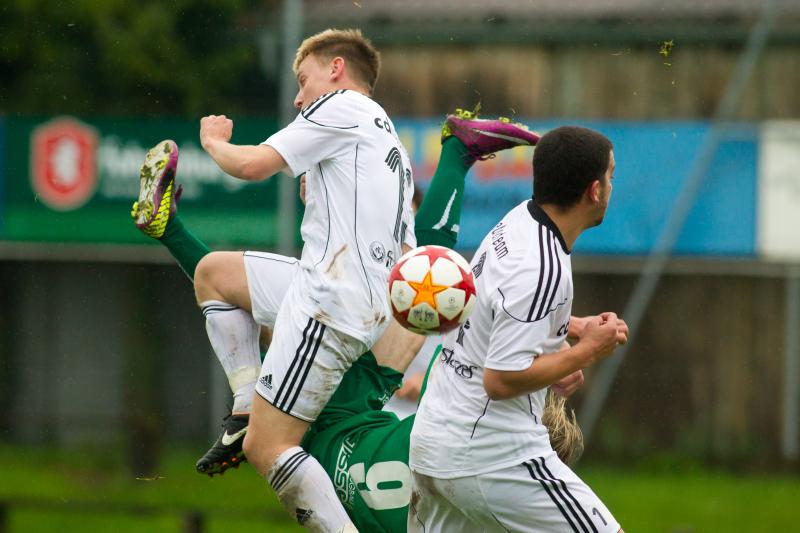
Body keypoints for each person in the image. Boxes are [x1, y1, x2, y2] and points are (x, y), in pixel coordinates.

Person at [132, 101, 542, 529]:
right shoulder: (401, 279)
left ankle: (172, 236)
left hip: (355, 400)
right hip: (365, 399)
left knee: (228, 284)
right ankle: (458, 150)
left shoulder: (389, 273)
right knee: (419, 273)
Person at [408, 126, 629, 533]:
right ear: (595, 191)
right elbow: (501, 380)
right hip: (490, 457)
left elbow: (495, 309)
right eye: (611, 175)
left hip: (433, 440)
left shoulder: (520, 220)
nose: (612, 185)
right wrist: (586, 352)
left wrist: (569, 327)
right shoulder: (541, 266)